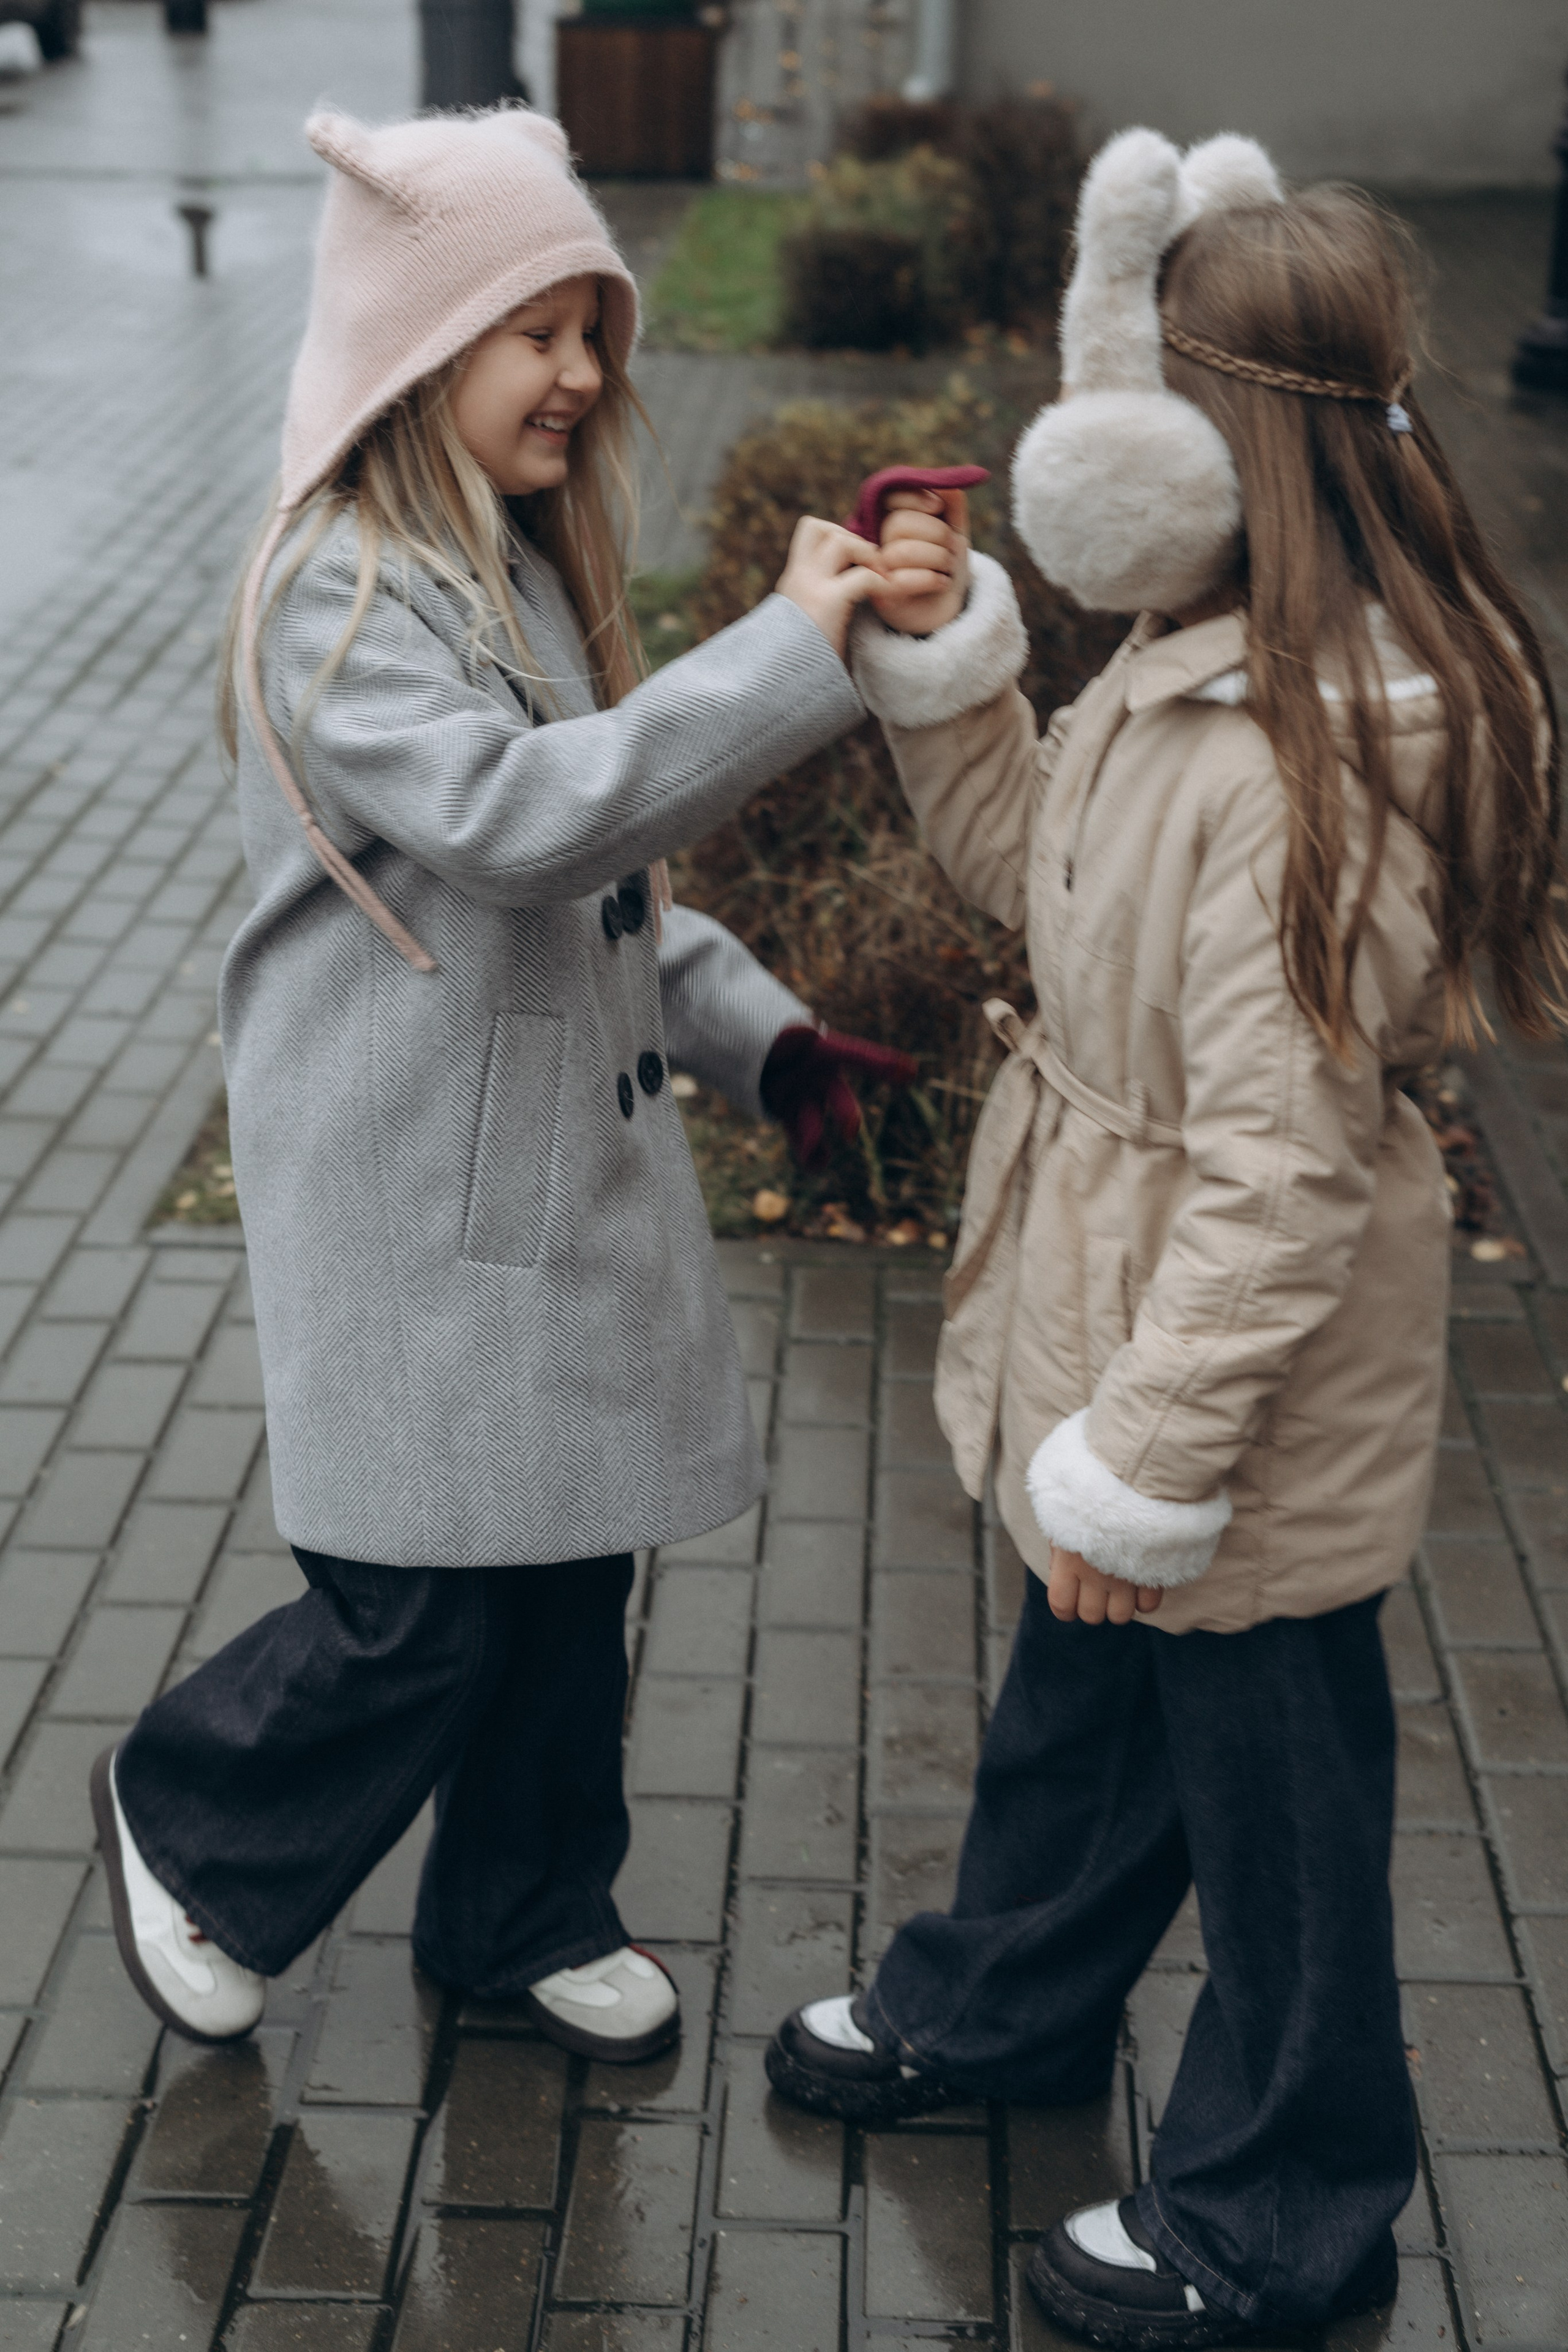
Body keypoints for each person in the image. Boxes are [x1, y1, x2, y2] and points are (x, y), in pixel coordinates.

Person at [766, 129, 1566, 2347]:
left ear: (1213, 441)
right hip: (1121, 1302)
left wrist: (1164, 1441)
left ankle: (1285, 2214)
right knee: (1080, 1715)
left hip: (1231, 1362)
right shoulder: (1183, 660)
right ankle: (1001, 2006)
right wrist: (955, 683)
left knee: (1280, 1807)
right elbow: (1055, 895)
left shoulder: (1312, 752)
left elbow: (1286, 1160)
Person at [89, 105, 935, 2064]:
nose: (584, 374)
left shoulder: (519, 568)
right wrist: (787, 656)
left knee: (563, 1580)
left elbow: (610, 894)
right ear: (414, 348)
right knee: (419, 1609)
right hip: (404, 1191)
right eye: (536, 333)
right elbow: (527, 822)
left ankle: (522, 1909)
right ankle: (199, 1824)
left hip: (542, 1170)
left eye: (594, 335)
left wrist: (766, 1036)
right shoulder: (341, 598)